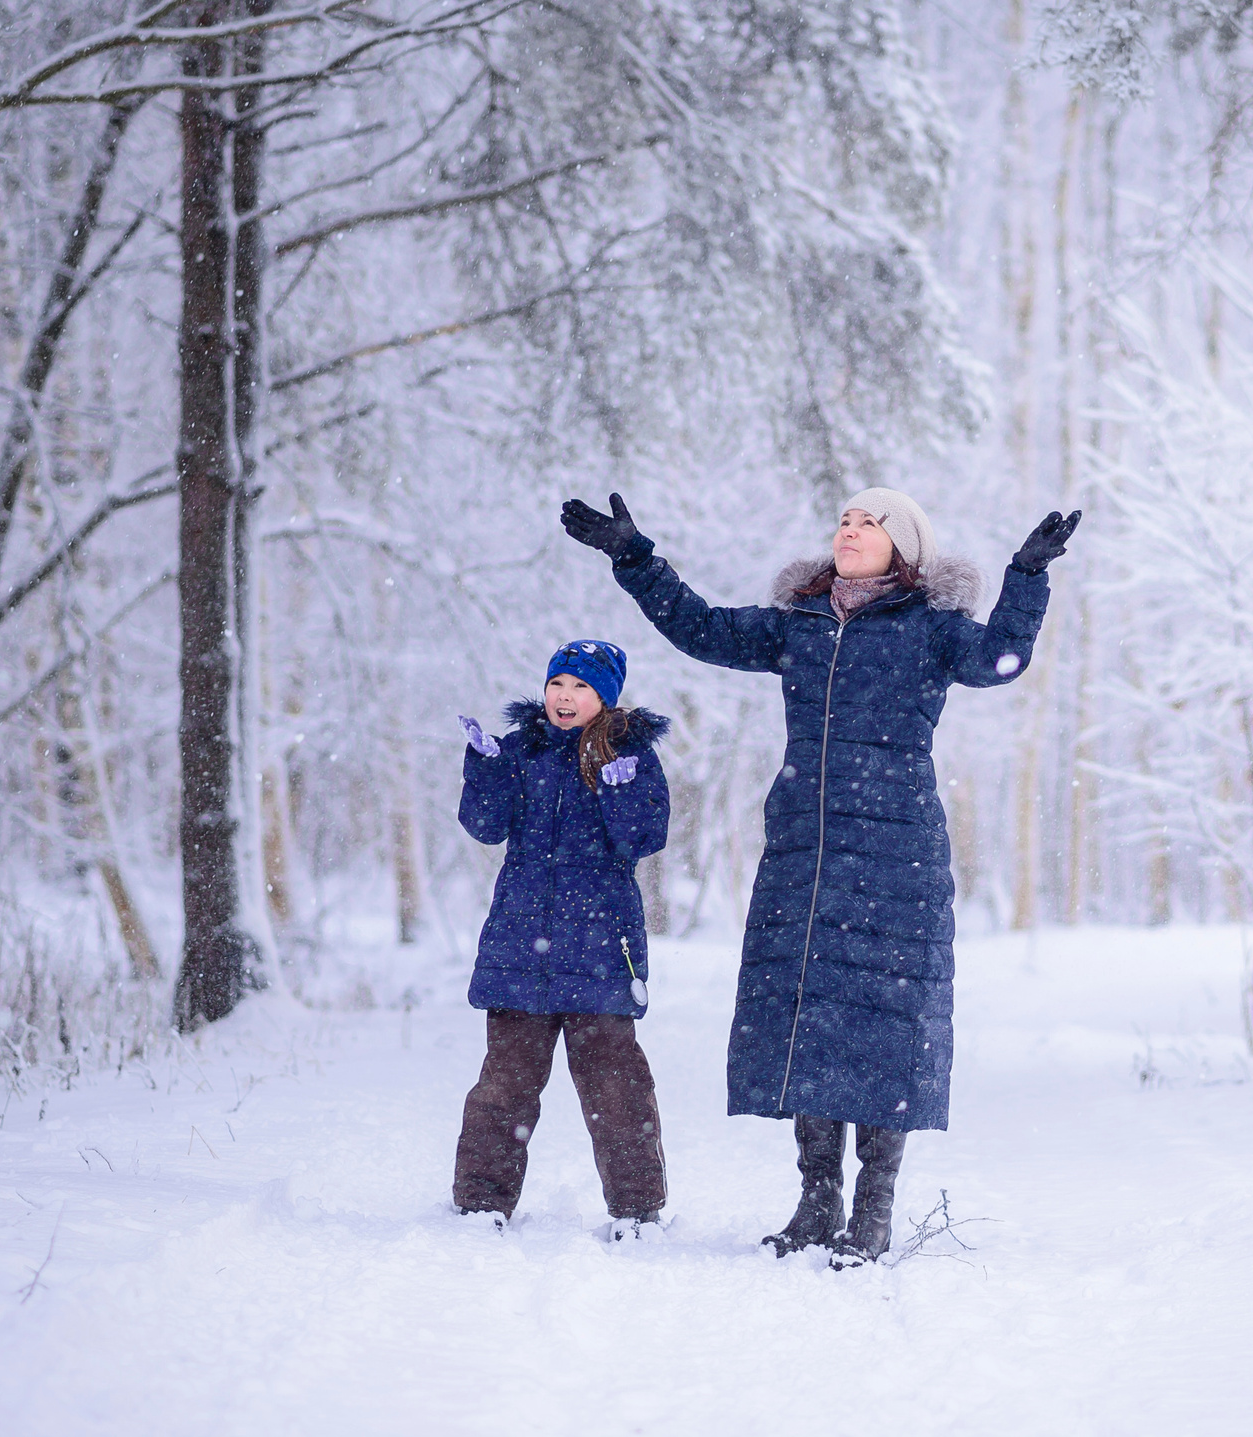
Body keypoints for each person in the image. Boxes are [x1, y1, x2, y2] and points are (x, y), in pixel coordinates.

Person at [560, 488, 1080, 1262]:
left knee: (883, 1027)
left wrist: (1027, 575)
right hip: (804, 850)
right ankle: (815, 1200)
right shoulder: (798, 625)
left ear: (902, 548)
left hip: (895, 851)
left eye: (869, 522)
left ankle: (872, 1208)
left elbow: (1002, 659)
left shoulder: (932, 631)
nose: (850, 529)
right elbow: (699, 628)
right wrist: (634, 556)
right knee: (808, 1020)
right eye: (844, 519)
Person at [451, 639, 671, 1238]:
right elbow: (485, 827)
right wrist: (483, 770)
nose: (565, 697)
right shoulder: (519, 751)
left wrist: (620, 791)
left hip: (600, 949)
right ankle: (480, 1206)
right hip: (520, 946)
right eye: (557, 685)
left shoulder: (632, 756)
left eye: (581, 687)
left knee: (616, 1089)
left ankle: (637, 1211)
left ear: (605, 697)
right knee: (505, 1085)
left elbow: (642, 841)